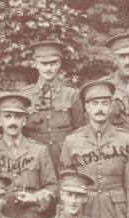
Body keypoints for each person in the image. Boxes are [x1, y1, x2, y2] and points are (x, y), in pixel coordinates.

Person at [60, 80, 129, 218]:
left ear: (111, 108)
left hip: (117, 213)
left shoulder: (126, 139)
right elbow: (65, 185)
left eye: (105, 103)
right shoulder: (71, 141)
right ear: (87, 108)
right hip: (84, 210)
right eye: (94, 103)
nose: (100, 109)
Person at [20, 40, 83, 169]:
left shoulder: (71, 94)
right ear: (36, 64)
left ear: (59, 63)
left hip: (65, 159)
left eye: (52, 63)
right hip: (34, 159)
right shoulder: (25, 96)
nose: (48, 68)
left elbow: (79, 130)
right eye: (44, 64)